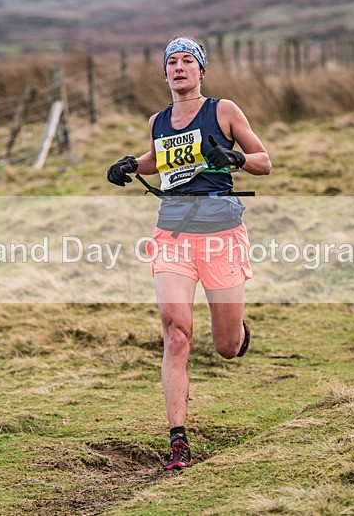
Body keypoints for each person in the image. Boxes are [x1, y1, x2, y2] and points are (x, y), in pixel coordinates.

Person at [106, 36, 271, 471]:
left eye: (187, 61)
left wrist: (232, 158)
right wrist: (129, 165)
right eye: (172, 62)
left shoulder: (224, 111)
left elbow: (264, 162)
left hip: (221, 236)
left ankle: (236, 332)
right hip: (173, 234)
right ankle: (178, 440)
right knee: (176, 333)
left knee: (225, 346)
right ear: (165, 74)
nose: (179, 68)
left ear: (201, 70)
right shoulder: (157, 120)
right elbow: (160, 159)